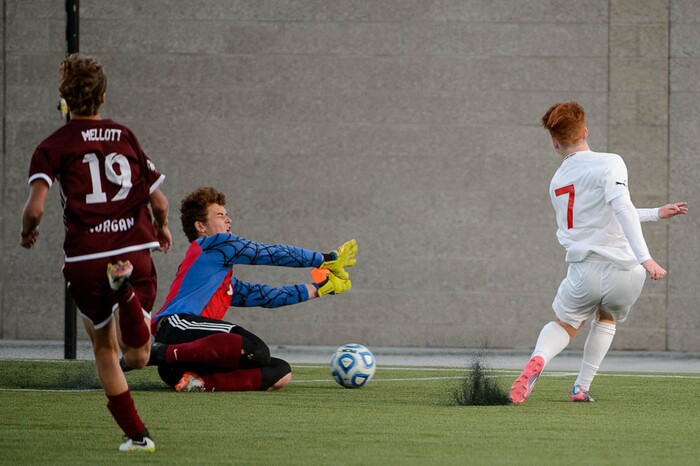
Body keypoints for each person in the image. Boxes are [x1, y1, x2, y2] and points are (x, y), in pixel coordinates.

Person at [20, 54, 172, 451]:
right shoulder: (125, 135)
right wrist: (162, 229)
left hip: (87, 259)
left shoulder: (52, 145)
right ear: (103, 96)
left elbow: (35, 208)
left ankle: (138, 437)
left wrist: (28, 233)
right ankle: (124, 291)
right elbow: (160, 202)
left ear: (64, 101)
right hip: (134, 249)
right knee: (138, 357)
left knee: (105, 348)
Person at [509, 101, 687, 404]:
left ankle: (539, 359)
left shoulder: (557, 183)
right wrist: (646, 257)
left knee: (564, 325)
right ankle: (580, 387)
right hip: (626, 271)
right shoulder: (611, 162)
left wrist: (655, 213)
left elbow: (604, 216)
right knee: (606, 319)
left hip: (585, 270)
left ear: (555, 143)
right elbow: (619, 209)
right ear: (586, 131)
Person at [136, 186, 356, 392]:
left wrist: (321, 288)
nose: (229, 219)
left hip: (181, 366)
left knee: (280, 370)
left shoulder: (220, 279)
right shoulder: (214, 244)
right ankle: (156, 353)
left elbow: (266, 296)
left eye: (226, 214)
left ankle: (200, 383)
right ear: (201, 226)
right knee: (255, 348)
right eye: (220, 215)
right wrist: (326, 259)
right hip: (176, 329)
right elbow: (267, 253)